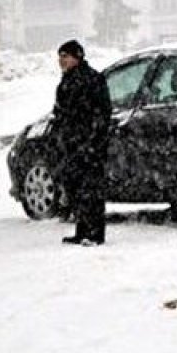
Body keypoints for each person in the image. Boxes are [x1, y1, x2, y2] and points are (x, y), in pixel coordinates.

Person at [50, 39, 112, 246]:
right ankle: (82, 230)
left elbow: (102, 113)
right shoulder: (66, 82)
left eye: (65, 56)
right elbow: (61, 113)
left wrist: (93, 141)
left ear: (77, 57)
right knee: (76, 189)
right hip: (72, 146)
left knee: (91, 191)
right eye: (60, 56)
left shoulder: (92, 79)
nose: (61, 60)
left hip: (89, 146)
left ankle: (95, 233)